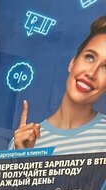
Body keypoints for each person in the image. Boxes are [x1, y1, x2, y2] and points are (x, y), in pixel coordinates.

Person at [12, 15, 106, 152]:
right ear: (72, 63)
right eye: (90, 57)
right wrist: (22, 156)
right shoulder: (21, 141)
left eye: (105, 68)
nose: (91, 73)